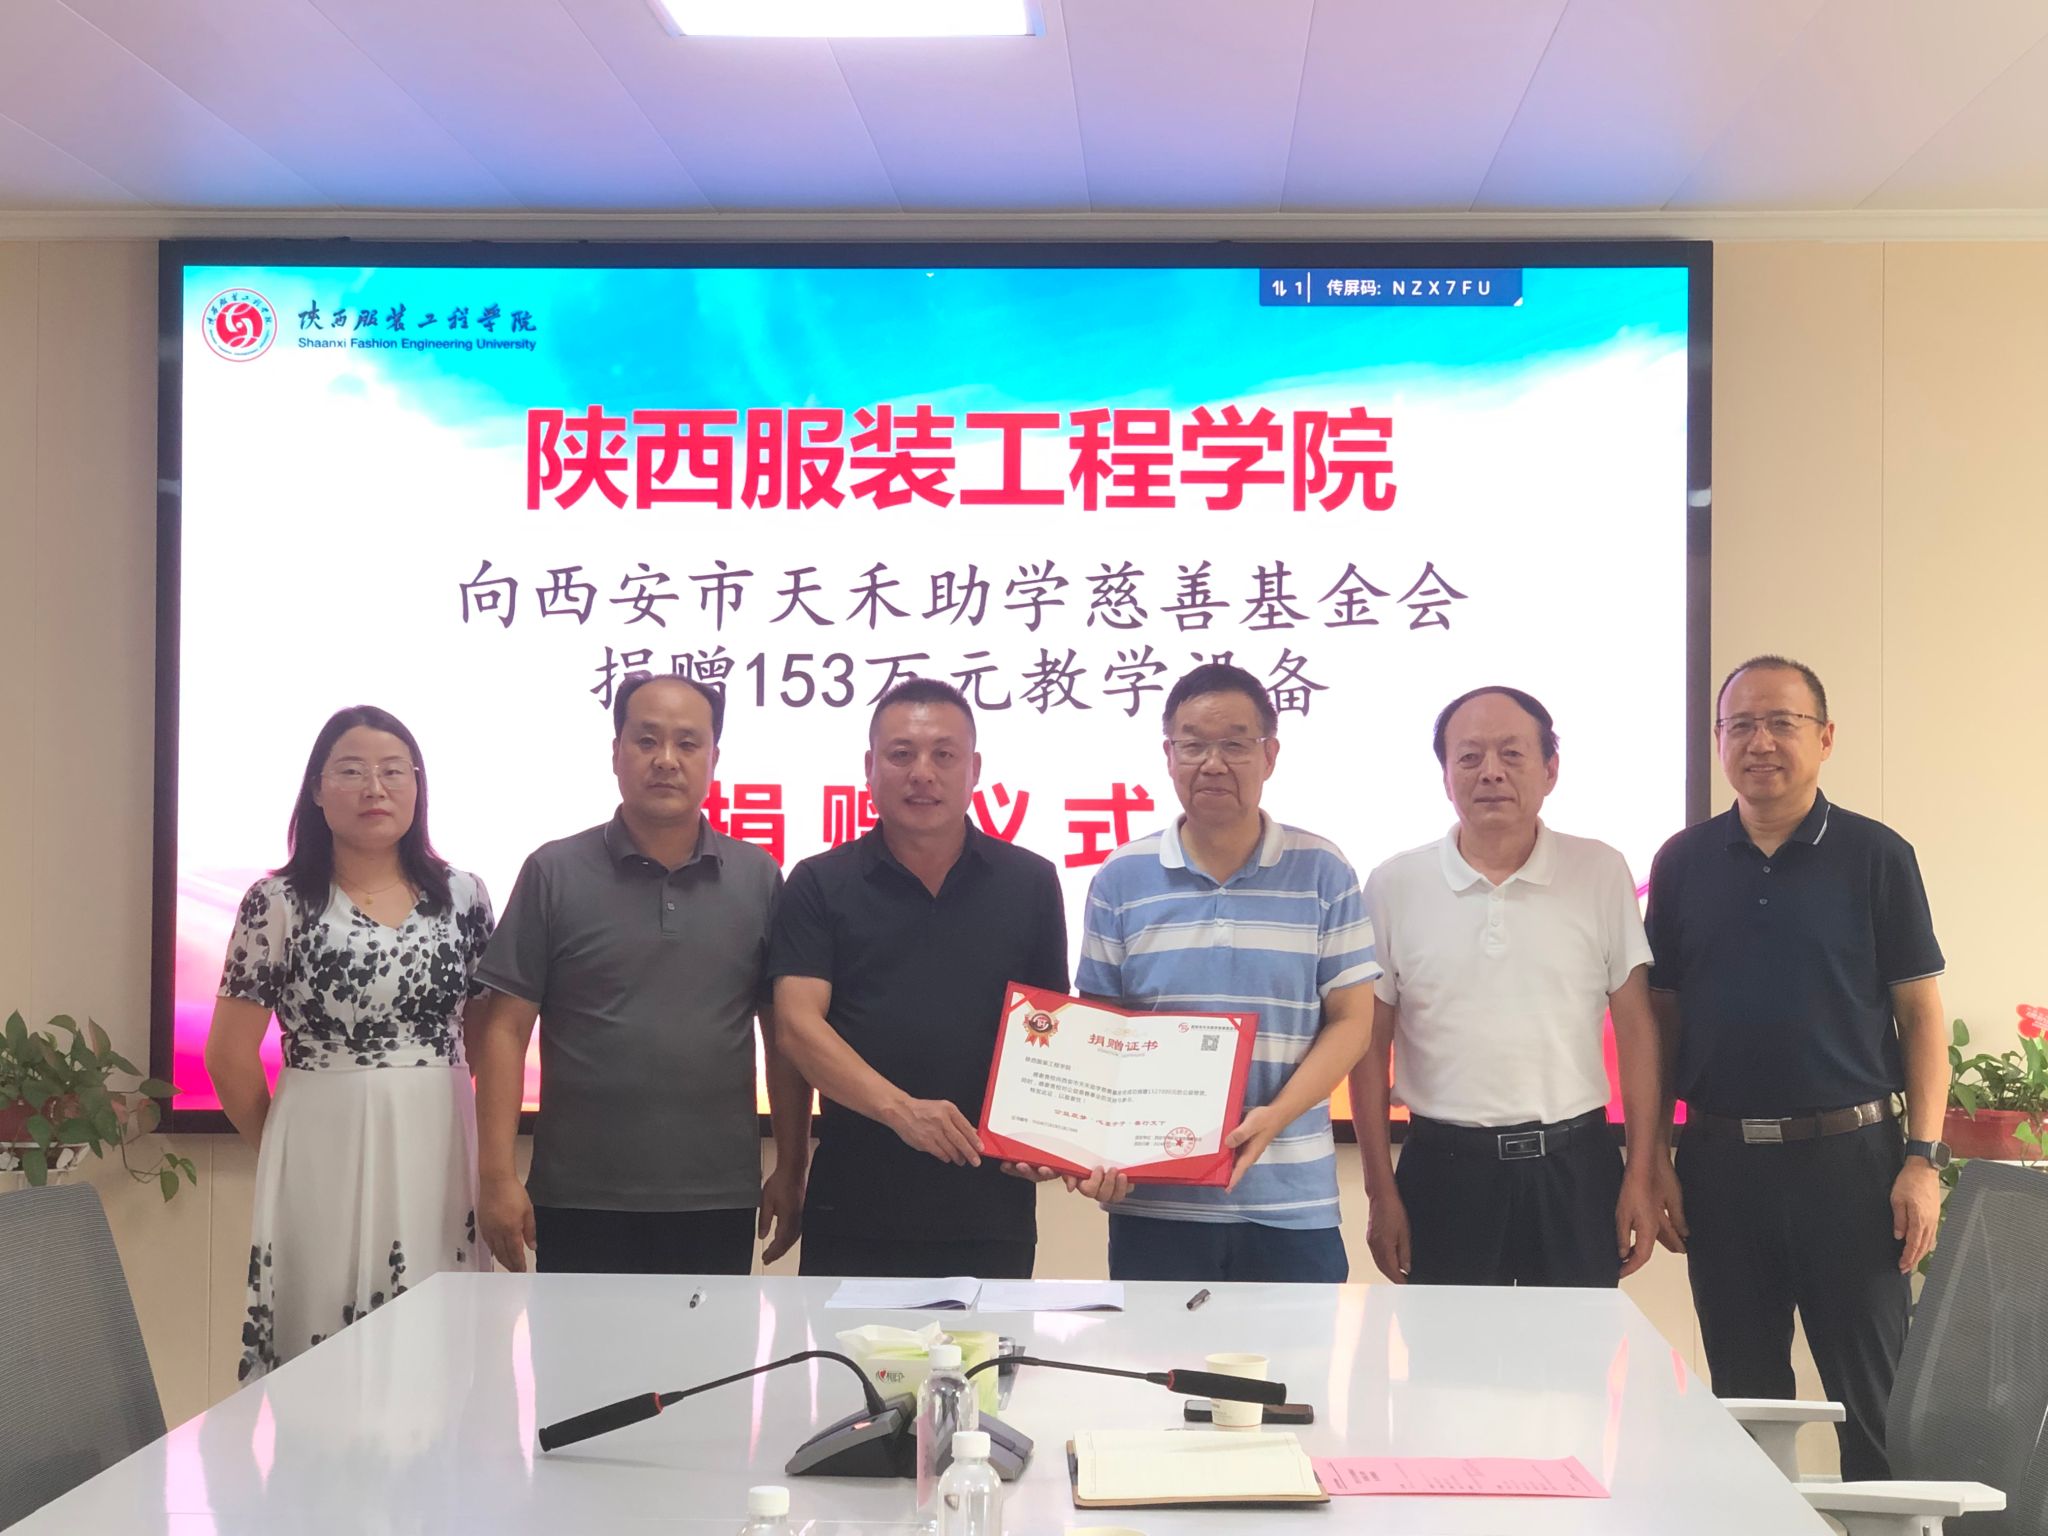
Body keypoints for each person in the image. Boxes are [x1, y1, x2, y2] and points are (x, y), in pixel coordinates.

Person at [1646, 654, 1950, 1480]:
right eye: (1740, 724)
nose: (1761, 742)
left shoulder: (1876, 855)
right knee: (1747, 1406)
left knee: (1874, 1406)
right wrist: (1655, 1156)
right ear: (1717, 739)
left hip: (1851, 1167)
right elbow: (1662, 1019)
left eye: (1782, 722)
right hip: (1720, 1166)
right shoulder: (1682, 862)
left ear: (1825, 737)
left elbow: (1921, 1018)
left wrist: (1923, 1160)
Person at [468, 674, 806, 1276]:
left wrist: (793, 1165)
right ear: (616, 752)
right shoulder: (553, 871)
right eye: (647, 740)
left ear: (713, 759)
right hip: (578, 1194)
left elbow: (783, 1038)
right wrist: (496, 1176)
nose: (666, 760)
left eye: (687, 743)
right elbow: (504, 1031)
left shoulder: (758, 877)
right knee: (580, 1344)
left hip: (716, 1195)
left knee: (712, 1344)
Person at [207, 706, 495, 1380]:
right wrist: (287, 1148)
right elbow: (228, 1056)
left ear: (418, 787)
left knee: (438, 1332)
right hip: (320, 1140)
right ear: (316, 788)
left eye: (394, 771)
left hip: (440, 1138)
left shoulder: (464, 897)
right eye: (351, 771)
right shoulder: (277, 901)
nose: (375, 788)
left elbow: (489, 1040)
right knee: (324, 1334)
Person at [1346, 686, 1666, 1290]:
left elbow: (1637, 1030)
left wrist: (1640, 1174)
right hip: (1444, 1173)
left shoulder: (1599, 870)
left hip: (1576, 1168)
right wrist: (1378, 1191)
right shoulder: (1394, 884)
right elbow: (1367, 1045)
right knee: (1446, 1350)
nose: (1490, 772)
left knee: (1577, 1349)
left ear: (1550, 770)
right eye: (1469, 757)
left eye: (1512, 754)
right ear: (1445, 777)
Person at [1076, 663, 1379, 1283]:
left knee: (1298, 1354)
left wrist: (1274, 1117)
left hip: (1292, 1204)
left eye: (1235, 745)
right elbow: (1100, 1034)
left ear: (1269, 755)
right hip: (1156, 1204)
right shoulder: (1120, 878)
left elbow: (1353, 1023)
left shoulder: (1323, 870)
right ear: (1168, 756)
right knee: (1154, 1350)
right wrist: (1091, 1148)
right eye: (1193, 745)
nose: (1212, 764)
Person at [769, 678, 1071, 1279]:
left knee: (985, 1347)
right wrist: (901, 1111)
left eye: (944, 754)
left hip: (990, 1209)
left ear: (974, 769)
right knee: (843, 1347)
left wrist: (1049, 1137)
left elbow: (1050, 1030)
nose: (922, 773)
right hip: (853, 1205)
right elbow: (797, 1027)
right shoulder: (819, 882)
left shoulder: (1031, 882)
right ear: (870, 767)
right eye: (901, 754)